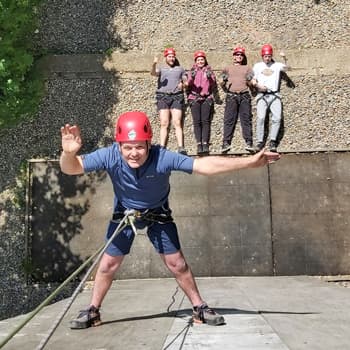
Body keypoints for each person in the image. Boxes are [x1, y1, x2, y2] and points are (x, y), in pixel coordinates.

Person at [60, 111, 280, 329]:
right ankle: (93, 310)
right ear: (119, 146)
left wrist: (249, 162)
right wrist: (69, 154)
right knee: (108, 264)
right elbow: (71, 168)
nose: (133, 153)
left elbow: (203, 166)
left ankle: (199, 307)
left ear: (149, 143)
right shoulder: (109, 155)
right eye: (127, 147)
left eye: (139, 146)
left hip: (158, 213)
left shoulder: (162, 156)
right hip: (125, 214)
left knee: (178, 264)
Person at [251, 44, 290, 152]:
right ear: (262, 56)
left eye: (269, 56)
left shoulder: (277, 65)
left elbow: (288, 68)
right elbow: (252, 80)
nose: (267, 58)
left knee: (277, 118)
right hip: (262, 95)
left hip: (274, 94)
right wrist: (258, 86)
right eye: (265, 56)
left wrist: (284, 58)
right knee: (261, 118)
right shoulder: (257, 66)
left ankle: (273, 141)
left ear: (271, 55)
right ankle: (259, 142)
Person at [218, 46, 255, 154]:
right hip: (231, 96)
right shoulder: (227, 68)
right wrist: (222, 81)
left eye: (241, 55)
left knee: (246, 119)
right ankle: (226, 143)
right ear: (233, 56)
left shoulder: (248, 68)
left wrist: (251, 82)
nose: (239, 56)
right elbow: (221, 82)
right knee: (229, 120)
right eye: (237, 55)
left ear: (243, 57)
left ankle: (249, 142)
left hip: (244, 96)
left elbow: (250, 83)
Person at [151, 48, 187, 154]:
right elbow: (153, 73)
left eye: (173, 56)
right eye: (169, 56)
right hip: (163, 97)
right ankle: (162, 147)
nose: (171, 58)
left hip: (177, 96)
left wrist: (184, 84)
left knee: (177, 122)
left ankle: (181, 147)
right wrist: (154, 64)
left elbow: (186, 81)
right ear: (166, 57)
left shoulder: (180, 69)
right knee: (164, 123)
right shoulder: (161, 68)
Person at [183, 50, 217, 155]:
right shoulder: (192, 71)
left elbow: (213, 83)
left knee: (205, 121)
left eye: (202, 59)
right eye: (198, 60)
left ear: (205, 60)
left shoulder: (209, 70)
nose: (200, 61)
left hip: (206, 98)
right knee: (197, 122)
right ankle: (199, 144)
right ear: (195, 61)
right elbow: (187, 84)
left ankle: (205, 143)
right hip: (194, 98)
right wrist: (191, 78)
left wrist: (209, 77)